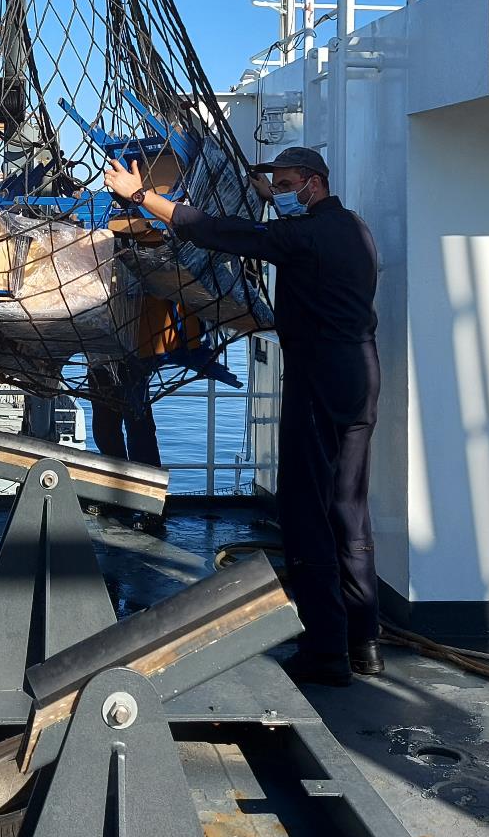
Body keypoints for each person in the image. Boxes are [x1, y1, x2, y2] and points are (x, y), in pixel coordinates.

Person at [104, 144, 380, 686]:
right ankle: (364, 641)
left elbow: (217, 231)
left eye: (284, 183)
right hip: (361, 378)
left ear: (311, 182)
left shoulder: (302, 238)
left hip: (319, 377)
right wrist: (261, 188)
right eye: (271, 184)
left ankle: (325, 651)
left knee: (305, 513)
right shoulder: (355, 230)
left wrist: (140, 197)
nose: (277, 192)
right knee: (350, 507)